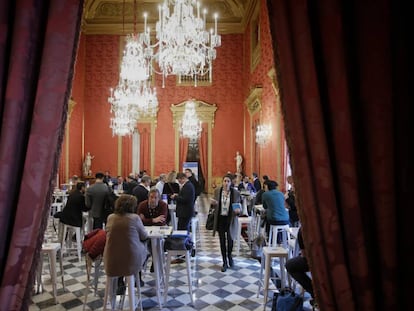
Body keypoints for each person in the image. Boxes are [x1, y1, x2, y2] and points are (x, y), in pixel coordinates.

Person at [104, 194, 149, 290]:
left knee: (121, 248)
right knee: (142, 247)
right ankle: (138, 278)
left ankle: (120, 281)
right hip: (131, 261)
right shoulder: (134, 218)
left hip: (111, 259)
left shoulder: (110, 218)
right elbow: (144, 236)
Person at [211, 174, 241, 272]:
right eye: (224, 181)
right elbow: (212, 207)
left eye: (228, 181)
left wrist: (238, 211)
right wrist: (213, 204)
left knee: (230, 239)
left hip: (231, 219)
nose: (226, 183)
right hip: (220, 218)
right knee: (222, 241)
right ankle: (224, 261)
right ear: (222, 182)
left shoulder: (235, 193)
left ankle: (230, 256)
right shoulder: (217, 191)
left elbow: (239, 206)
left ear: (231, 182)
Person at [285, 227, 316, 306]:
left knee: (290, 265)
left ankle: (315, 293)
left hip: (316, 261)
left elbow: (305, 256)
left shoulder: (303, 230)